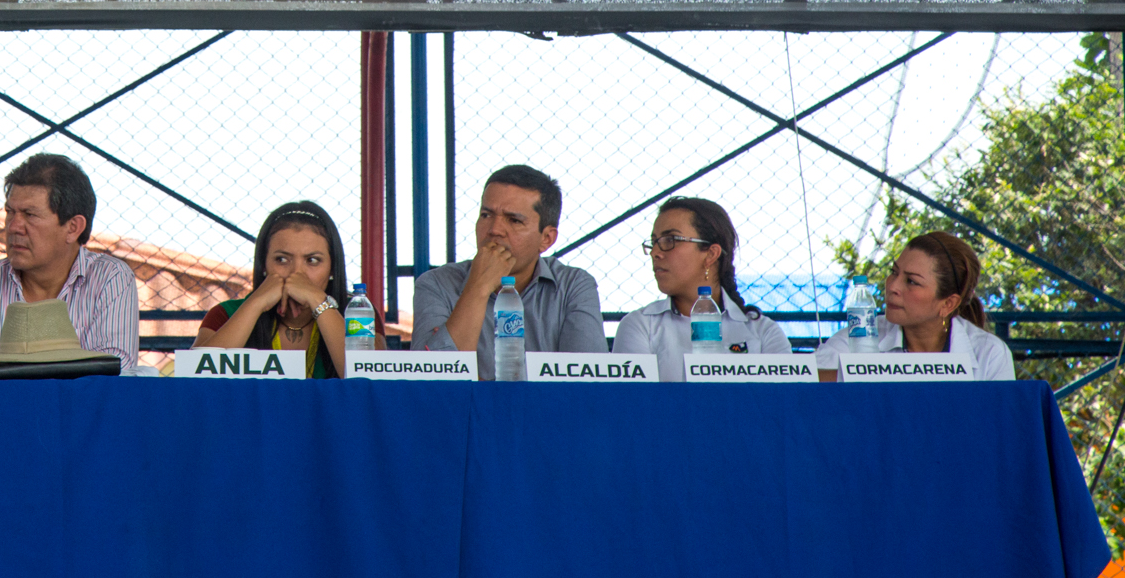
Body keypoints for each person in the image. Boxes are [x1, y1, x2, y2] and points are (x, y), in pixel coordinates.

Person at [0, 153, 138, 380]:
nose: (13, 227)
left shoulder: (110, 279)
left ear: (73, 227)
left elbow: (115, 373)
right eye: (10, 212)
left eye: (30, 215)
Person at [410, 164, 604, 376]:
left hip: (545, 410)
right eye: (486, 215)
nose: (494, 230)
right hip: (463, 411)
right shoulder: (436, 284)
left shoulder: (574, 286)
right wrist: (479, 287)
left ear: (546, 239)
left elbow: (585, 383)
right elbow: (432, 379)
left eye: (514, 220)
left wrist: (478, 382)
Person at [611, 197, 790, 379]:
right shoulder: (641, 326)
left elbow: (783, 403)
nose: (655, 253)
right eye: (654, 242)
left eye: (670, 240)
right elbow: (636, 404)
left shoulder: (762, 332)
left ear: (711, 254)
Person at [816, 231, 1014, 380]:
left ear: (948, 303)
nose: (892, 286)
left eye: (912, 281)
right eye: (894, 272)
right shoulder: (862, 336)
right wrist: (864, 373)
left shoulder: (989, 354)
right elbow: (803, 384)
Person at [193, 202, 352, 378]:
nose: (296, 273)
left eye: (313, 260)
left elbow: (374, 384)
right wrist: (256, 303)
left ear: (332, 268)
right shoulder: (226, 314)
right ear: (264, 266)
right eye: (282, 259)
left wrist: (318, 301)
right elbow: (194, 379)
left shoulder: (359, 314)